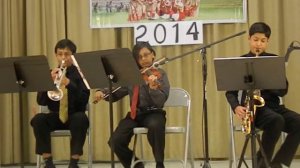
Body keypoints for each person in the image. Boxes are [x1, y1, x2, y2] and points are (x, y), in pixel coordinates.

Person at [225, 22, 300, 168]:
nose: (258, 44)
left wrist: (269, 81)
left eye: (263, 41)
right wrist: (236, 107)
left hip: (274, 107)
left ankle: (276, 162)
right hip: (254, 110)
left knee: (298, 122)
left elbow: (283, 91)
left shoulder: (273, 60)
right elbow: (230, 92)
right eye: (255, 39)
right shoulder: (241, 62)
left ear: (267, 42)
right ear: (249, 39)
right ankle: (262, 164)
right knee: (276, 120)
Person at [94, 41, 170, 168]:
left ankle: (159, 163)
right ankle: (136, 165)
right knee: (115, 141)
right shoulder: (131, 75)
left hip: (154, 112)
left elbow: (161, 100)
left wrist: (153, 88)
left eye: (146, 55)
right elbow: (117, 92)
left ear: (153, 55)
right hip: (135, 114)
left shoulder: (160, 74)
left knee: (155, 125)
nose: (143, 59)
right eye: (139, 57)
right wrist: (103, 92)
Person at [31, 39, 90, 168]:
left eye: (67, 54)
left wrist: (69, 84)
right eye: (60, 54)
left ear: (73, 56)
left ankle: (74, 163)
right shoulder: (50, 73)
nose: (63, 57)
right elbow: (41, 101)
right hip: (55, 115)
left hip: (74, 115)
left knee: (81, 118)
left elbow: (83, 101)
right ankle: (48, 162)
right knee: (38, 119)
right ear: (56, 55)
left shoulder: (81, 75)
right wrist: (47, 84)